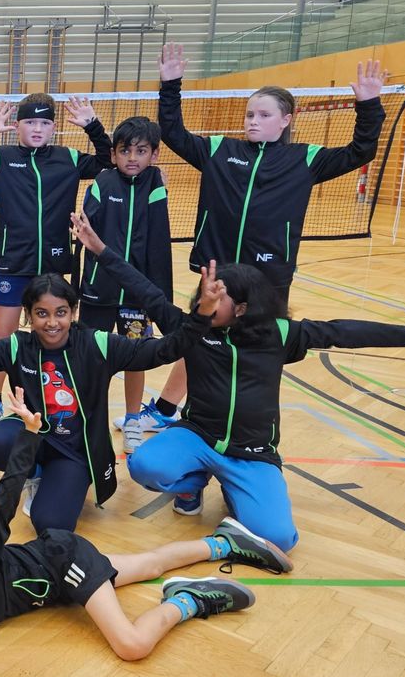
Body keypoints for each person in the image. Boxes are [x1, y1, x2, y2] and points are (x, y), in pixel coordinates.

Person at [71, 210, 405, 547]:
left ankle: (235, 486)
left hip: (252, 452)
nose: (204, 300)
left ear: (241, 308)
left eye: (217, 296)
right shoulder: (193, 329)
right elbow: (146, 291)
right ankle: (193, 483)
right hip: (198, 436)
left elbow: (343, 332)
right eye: (205, 292)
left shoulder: (280, 335)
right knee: (144, 465)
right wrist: (99, 248)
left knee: (279, 537)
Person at [0, 388, 281, 663]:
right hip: (57, 583)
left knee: (131, 646)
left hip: (63, 563)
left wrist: (30, 433)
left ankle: (188, 601)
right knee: (149, 565)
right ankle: (224, 543)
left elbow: (7, 491)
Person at [135, 46, 389, 436]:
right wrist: (170, 85)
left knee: (260, 353)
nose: (253, 121)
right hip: (217, 271)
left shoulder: (306, 159)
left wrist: (368, 105)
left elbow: (361, 151)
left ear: (286, 120)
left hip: (268, 277)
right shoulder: (219, 151)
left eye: (264, 115)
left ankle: (250, 429)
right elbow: (173, 133)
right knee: (198, 338)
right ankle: (167, 409)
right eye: (250, 114)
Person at [0, 269, 188, 534]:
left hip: (75, 452)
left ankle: (62, 480)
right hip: (34, 437)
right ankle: (35, 474)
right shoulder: (17, 347)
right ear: (29, 315)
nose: (52, 322)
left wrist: (200, 320)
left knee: (50, 523)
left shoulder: (96, 344)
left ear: (73, 312)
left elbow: (161, 351)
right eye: (42, 313)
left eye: (61, 312)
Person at [0, 92, 112, 432]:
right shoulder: (2, 158)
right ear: (18, 126)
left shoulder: (68, 158)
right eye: (30, 122)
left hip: (54, 264)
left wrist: (92, 125)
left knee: (53, 333)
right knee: (4, 333)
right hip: (14, 262)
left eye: (44, 122)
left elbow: (108, 160)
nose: (38, 129)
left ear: (54, 127)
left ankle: (49, 396)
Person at [77, 116, 172, 454]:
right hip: (97, 294)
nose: (132, 158)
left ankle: (133, 419)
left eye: (141, 151)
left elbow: (160, 245)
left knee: (136, 358)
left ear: (154, 155)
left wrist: (160, 298)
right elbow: (86, 233)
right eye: (124, 151)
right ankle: (88, 420)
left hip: (137, 296)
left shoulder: (155, 184)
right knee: (91, 359)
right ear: (113, 154)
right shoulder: (102, 182)